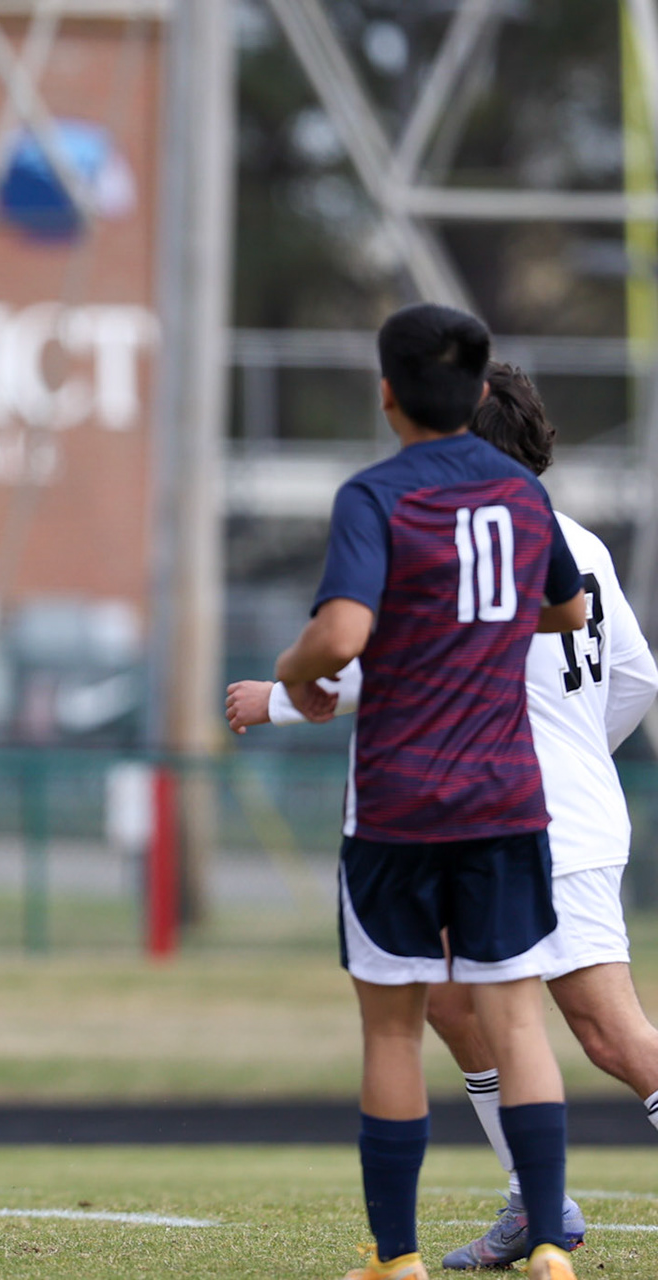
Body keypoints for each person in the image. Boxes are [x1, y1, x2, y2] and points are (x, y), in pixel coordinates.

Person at [228, 363, 658, 1269]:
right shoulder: (575, 538)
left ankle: (490, 1225)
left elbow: (398, 660)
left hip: (542, 824)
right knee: (460, 1005)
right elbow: (637, 680)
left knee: (611, 1033)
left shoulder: (473, 540)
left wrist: (274, 699)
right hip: (538, 811)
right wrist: (582, 753)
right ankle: (538, 1207)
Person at [271, 306, 586, 1280]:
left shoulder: (376, 494)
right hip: (505, 797)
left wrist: (293, 671)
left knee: (393, 1022)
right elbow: (567, 607)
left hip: (401, 800)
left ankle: (398, 1254)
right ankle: (546, 1243)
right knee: (517, 1016)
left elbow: (340, 634)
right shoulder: (525, 496)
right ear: (483, 390)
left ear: (387, 392)